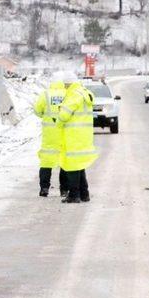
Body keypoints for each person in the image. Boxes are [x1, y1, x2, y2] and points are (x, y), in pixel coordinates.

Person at [57, 72, 98, 203]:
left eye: (65, 85)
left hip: (73, 135)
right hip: (83, 135)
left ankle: (74, 195)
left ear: (68, 84)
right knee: (79, 165)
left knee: (72, 165)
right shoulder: (84, 92)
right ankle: (84, 193)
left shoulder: (73, 94)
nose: (64, 88)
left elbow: (64, 115)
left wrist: (58, 117)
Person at [33, 73, 68, 197]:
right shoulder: (67, 94)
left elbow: (37, 110)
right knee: (64, 162)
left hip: (49, 134)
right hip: (64, 133)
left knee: (46, 162)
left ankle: (44, 188)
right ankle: (64, 190)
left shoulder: (46, 94)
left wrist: (45, 116)